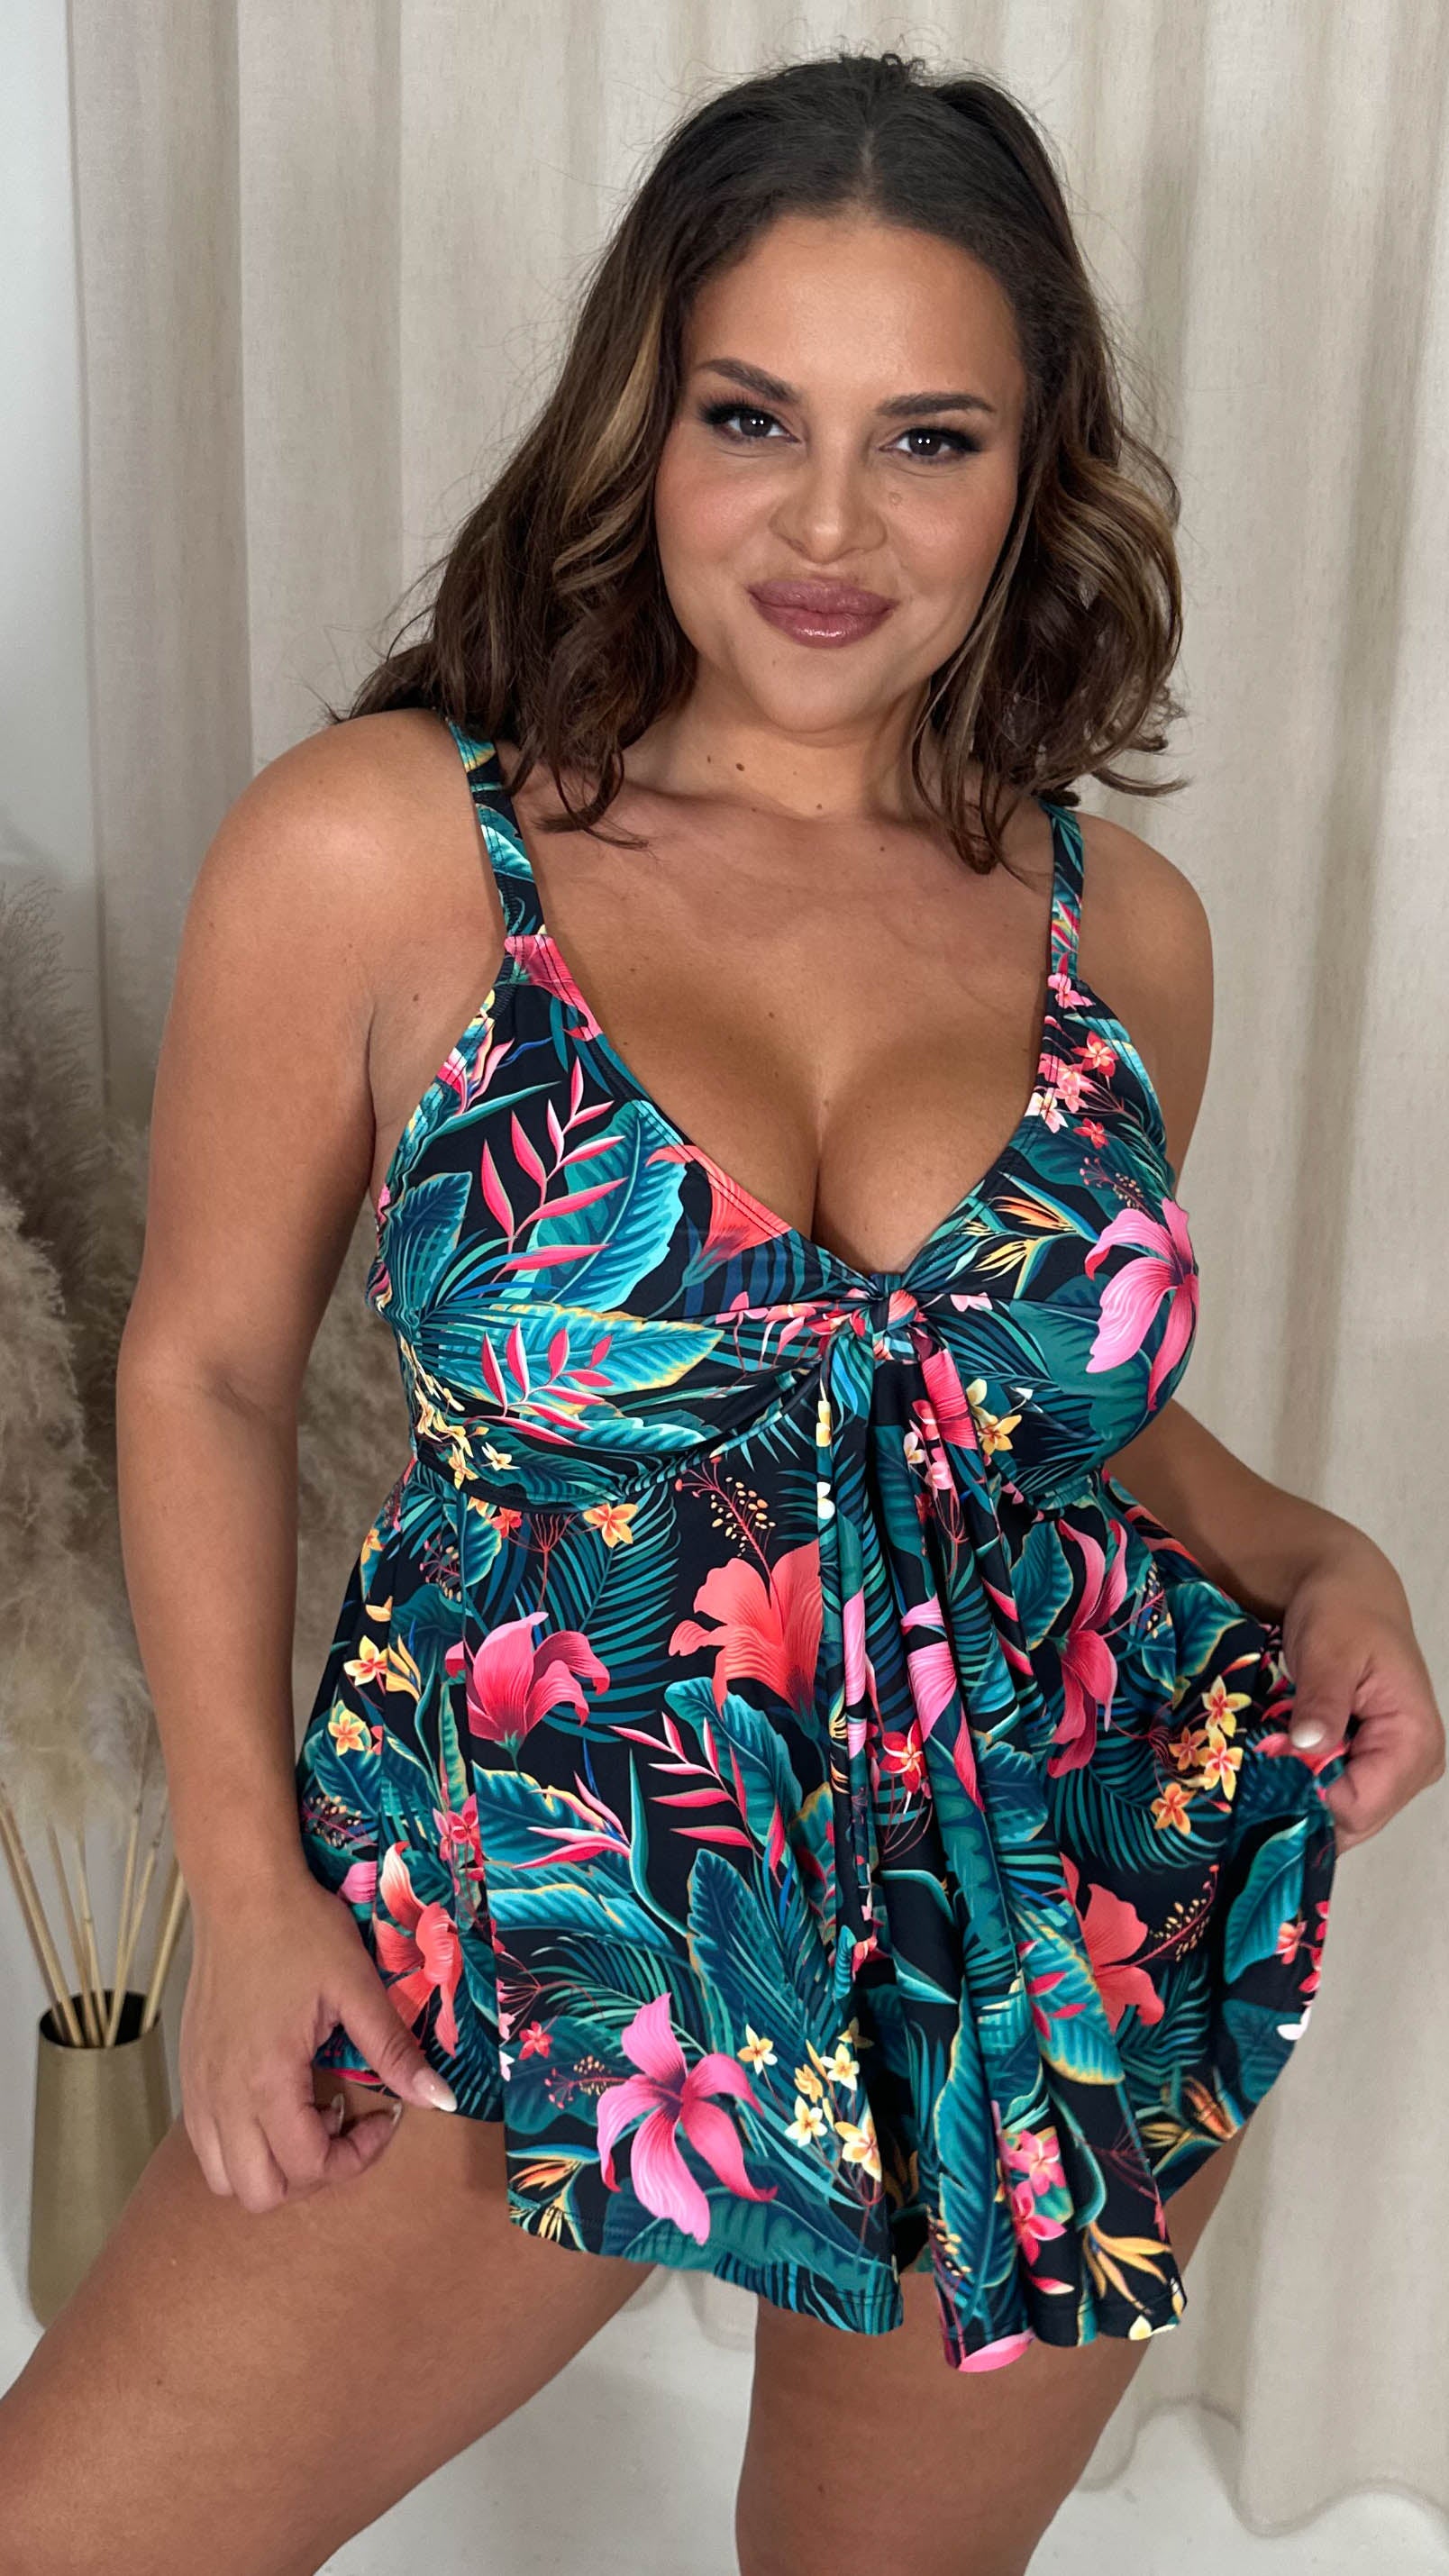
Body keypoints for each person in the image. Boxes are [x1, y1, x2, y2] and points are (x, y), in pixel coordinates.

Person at [3, 45, 1441, 2576]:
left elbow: (997, 1417)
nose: (828, 523)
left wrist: (1309, 1544)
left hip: (1055, 1881)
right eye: (751, 415)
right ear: (636, 426)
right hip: (531, 1882)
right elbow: (205, 1365)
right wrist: (246, 1881)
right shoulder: (387, 852)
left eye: (929, 440)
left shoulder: (1123, 933)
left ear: (1036, 472)